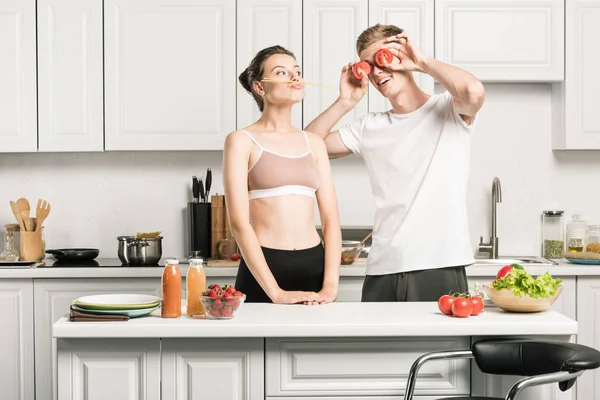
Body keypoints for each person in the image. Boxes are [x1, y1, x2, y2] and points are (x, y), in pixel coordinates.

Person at [305, 24, 485, 302]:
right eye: (368, 65)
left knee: (437, 347)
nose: (376, 72)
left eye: (383, 59)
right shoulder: (370, 126)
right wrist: (344, 102)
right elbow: (306, 146)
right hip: (382, 268)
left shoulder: (448, 109)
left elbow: (473, 92)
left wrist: (421, 61)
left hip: (439, 264)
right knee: (378, 347)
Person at [223, 45, 342, 304]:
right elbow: (239, 224)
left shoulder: (313, 142)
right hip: (264, 268)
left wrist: (331, 285)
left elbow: (331, 220)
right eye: (281, 72)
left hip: (314, 264)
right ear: (260, 87)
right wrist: (275, 293)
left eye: (297, 71)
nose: (294, 77)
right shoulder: (241, 141)